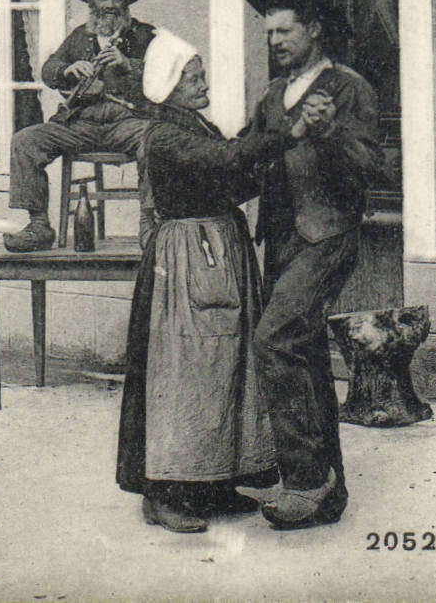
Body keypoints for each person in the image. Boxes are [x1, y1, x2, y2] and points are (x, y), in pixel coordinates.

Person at [114, 31, 306, 533]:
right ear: (167, 85)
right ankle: (164, 494)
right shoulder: (164, 134)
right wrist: (282, 131)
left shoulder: (194, 125)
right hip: (187, 259)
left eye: (200, 75)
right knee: (185, 371)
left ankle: (214, 483)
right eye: (191, 77)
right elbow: (224, 162)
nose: (202, 84)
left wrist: (258, 151)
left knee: (225, 366)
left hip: (219, 249)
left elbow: (233, 178)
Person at [236, 0, 384, 530]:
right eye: (268, 31)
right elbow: (250, 156)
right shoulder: (273, 96)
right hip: (281, 239)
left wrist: (331, 133)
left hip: (326, 234)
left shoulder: (349, 89)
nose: (274, 39)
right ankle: (326, 487)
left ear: (314, 30)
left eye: (285, 29)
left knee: (275, 339)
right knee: (305, 354)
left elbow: (375, 168)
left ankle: (303, 479)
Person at [4, 0, 157, 251]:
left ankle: (149, 223)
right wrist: (68, 69)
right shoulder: (79, 36)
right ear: (92, 3)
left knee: (157, 140)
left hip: (127, 122)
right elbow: (49, 69)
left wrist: (131, 65)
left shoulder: (144, 35)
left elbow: (167, 76)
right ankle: (39, 226)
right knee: (26, 140)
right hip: (80, 124)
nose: (110, 5)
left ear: (126, 3)